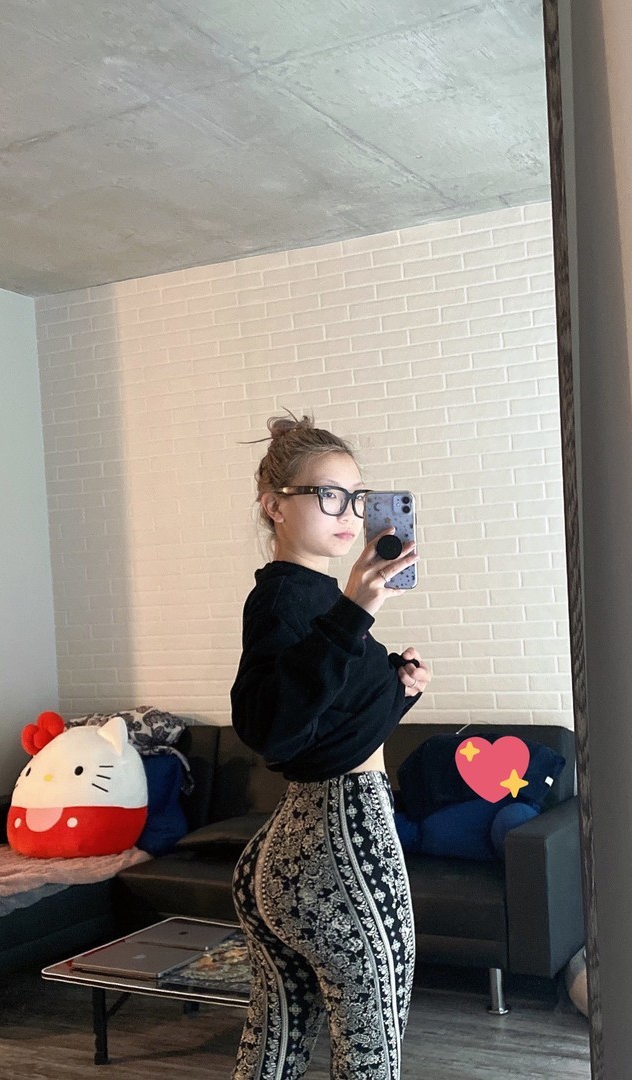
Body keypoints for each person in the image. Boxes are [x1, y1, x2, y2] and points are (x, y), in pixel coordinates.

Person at [229, 414, 431, 1080]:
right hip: (343, 839)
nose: (349, 513)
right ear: (274, 505)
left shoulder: (320, 598)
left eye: (357, 496)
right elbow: (269, 726)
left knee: (277, 1041)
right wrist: (355, 612)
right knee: (370, 1056)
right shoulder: (289, 599)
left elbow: (325, 722)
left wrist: (398, 689)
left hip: (297, 843)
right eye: (328, 495)